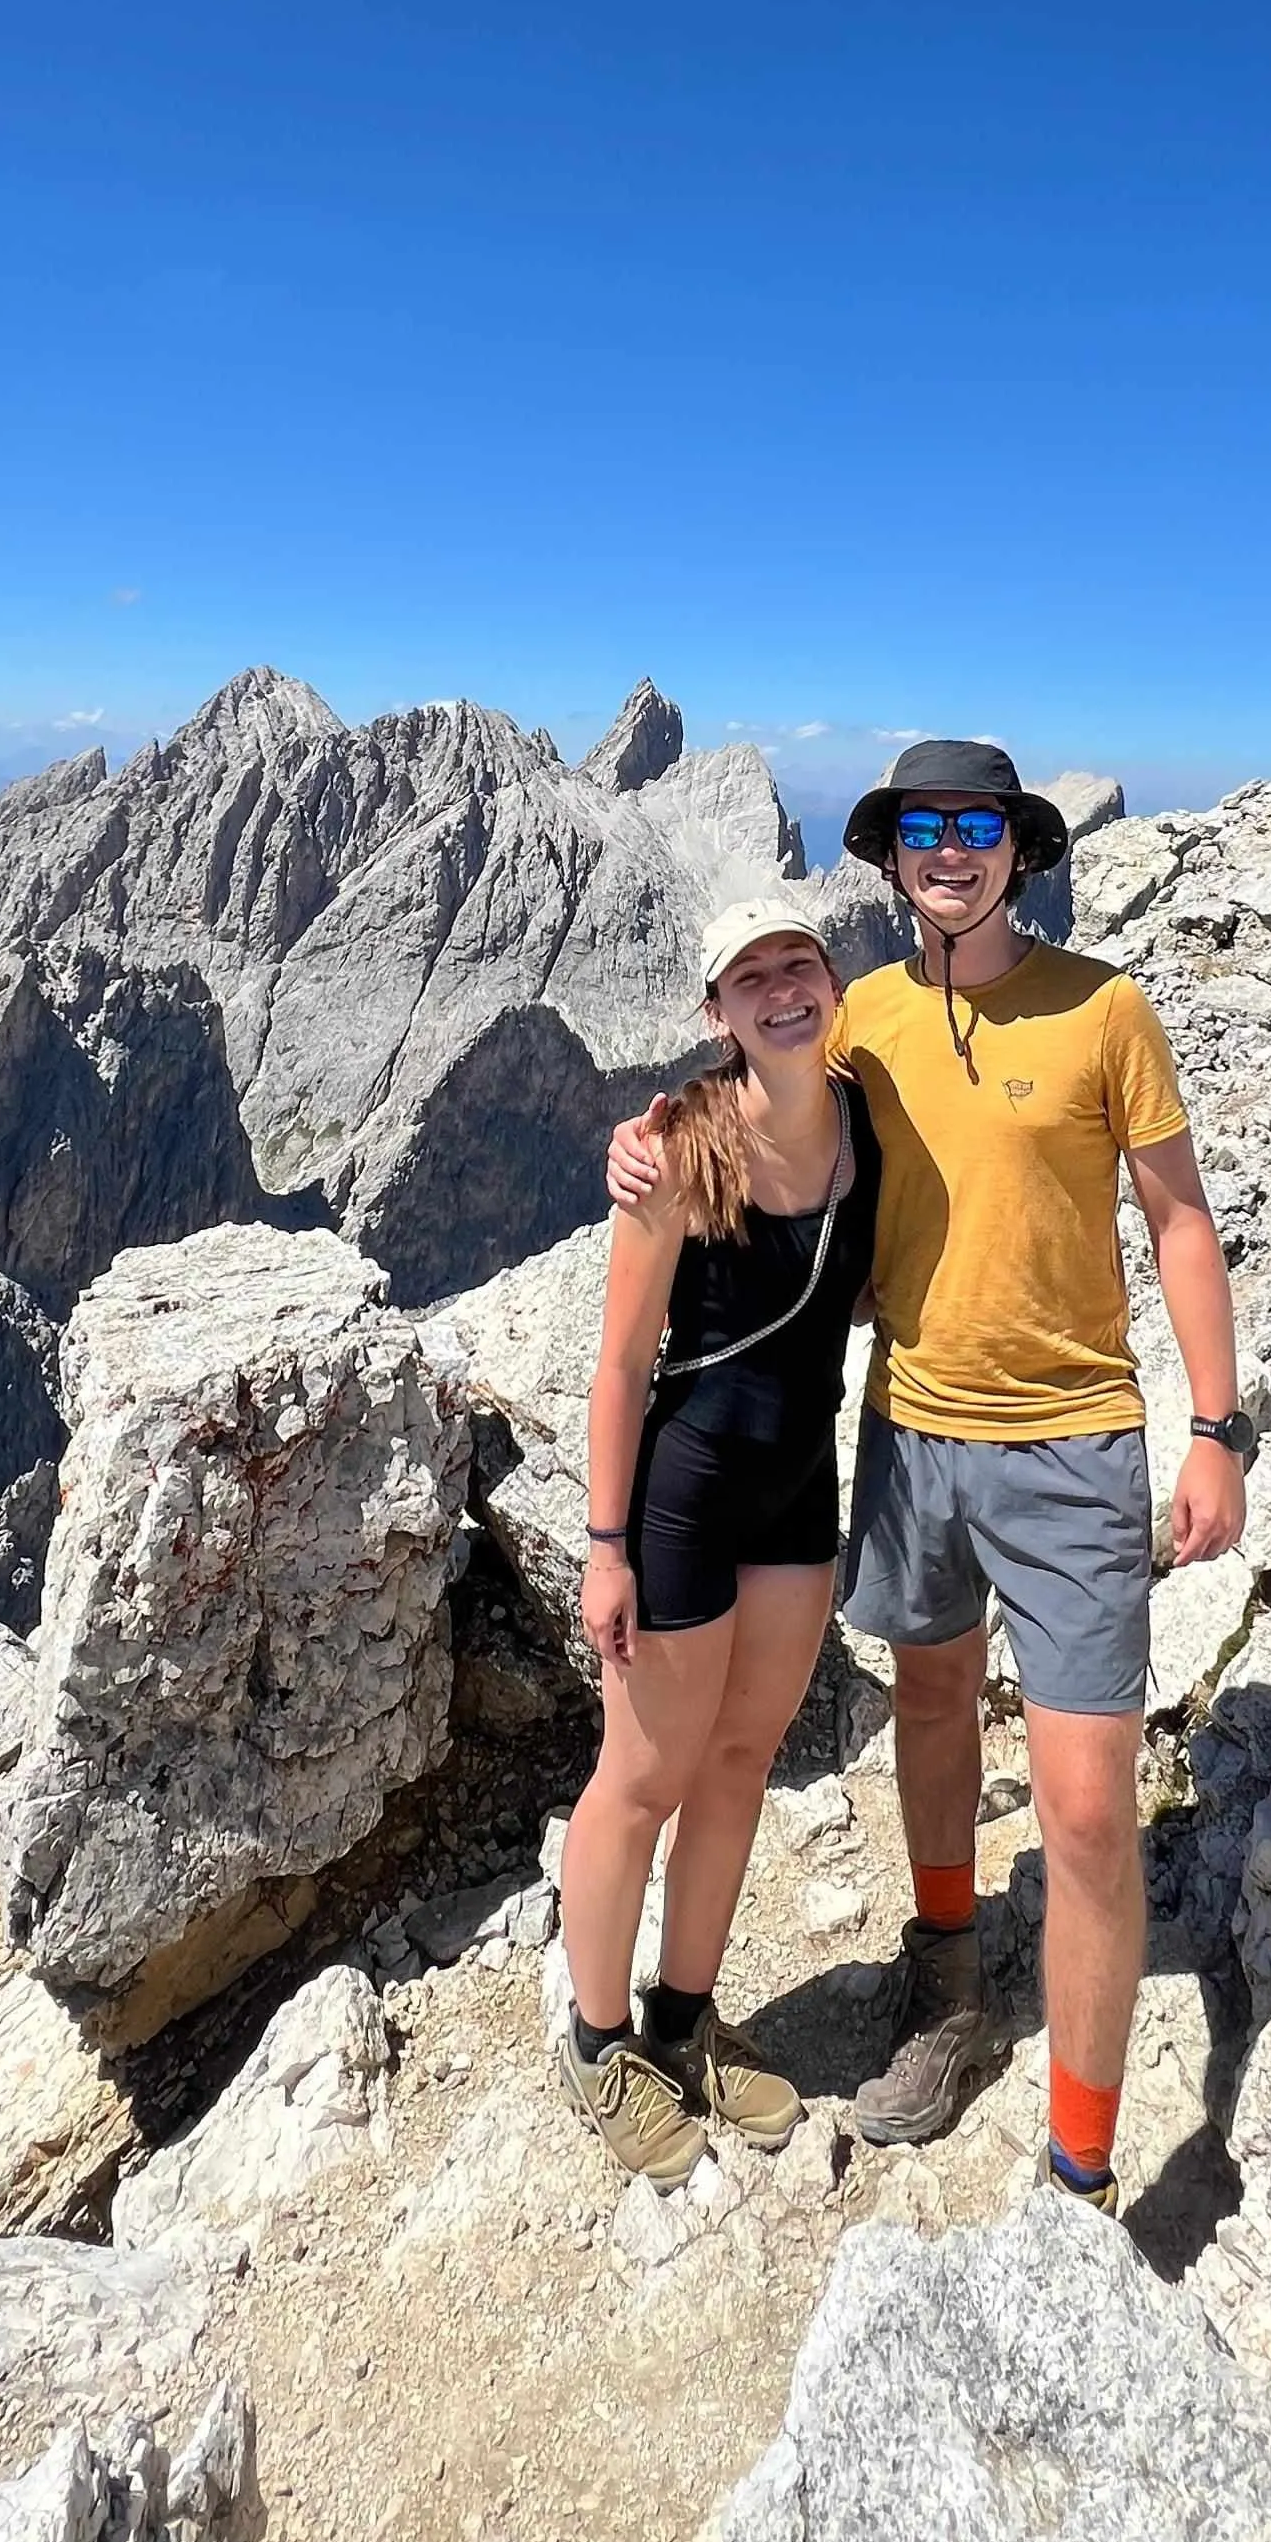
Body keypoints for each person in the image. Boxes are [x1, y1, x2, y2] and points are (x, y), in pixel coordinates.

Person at [611, 738, 1248, 2217]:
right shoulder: (869, 1018)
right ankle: (951, 1983)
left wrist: (1211, 1428)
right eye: (920, 829)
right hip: (907, 1430)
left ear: (1017, 850)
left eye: (975, 827)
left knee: (1088, 1812)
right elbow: (752, 1093)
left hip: (1075, 1444)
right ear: (894, 858)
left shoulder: (1105, 1009)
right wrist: (638, 1142)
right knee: (936, 1712)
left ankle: (1080, 2169)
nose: (947, 850)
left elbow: (1180, 1224)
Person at [553, 896, 882, 2185]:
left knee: (741, 1760)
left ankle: (685, 2020)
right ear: (719, 1013)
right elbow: (622, 1363)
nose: (783, 991)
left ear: (829, 979)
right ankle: (596, 2040)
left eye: (798, 964)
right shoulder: (680, 1151)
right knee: (641, 1778)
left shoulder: (869, 1122)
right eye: (752, 978)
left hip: (800, 1489)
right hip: (683, 1503)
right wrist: (604, 1544)